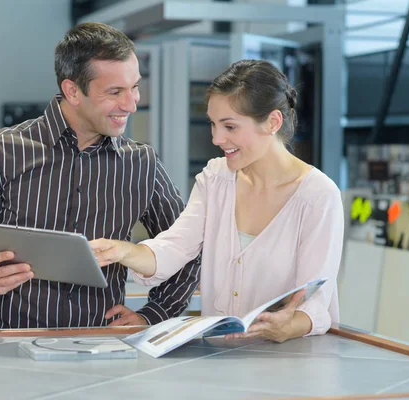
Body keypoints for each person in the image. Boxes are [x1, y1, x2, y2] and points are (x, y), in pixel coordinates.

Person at [0, 22, 200, 329]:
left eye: (135, 87)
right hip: (9, 347)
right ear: (72, 91)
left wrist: (154, 314)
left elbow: (189, 250)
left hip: (102, 351)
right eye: (115, 92)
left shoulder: (142, 163)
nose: (131, 104)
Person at [90, 59, 344, 343]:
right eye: (213, 124)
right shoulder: (215, 178)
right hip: (220, 361)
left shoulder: (318, 196)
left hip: (287, 365)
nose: (217, 138)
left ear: (273, 122)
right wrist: (122, 251)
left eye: (230, 127)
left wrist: (290, 324)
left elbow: (315, 299)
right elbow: (173, 248)